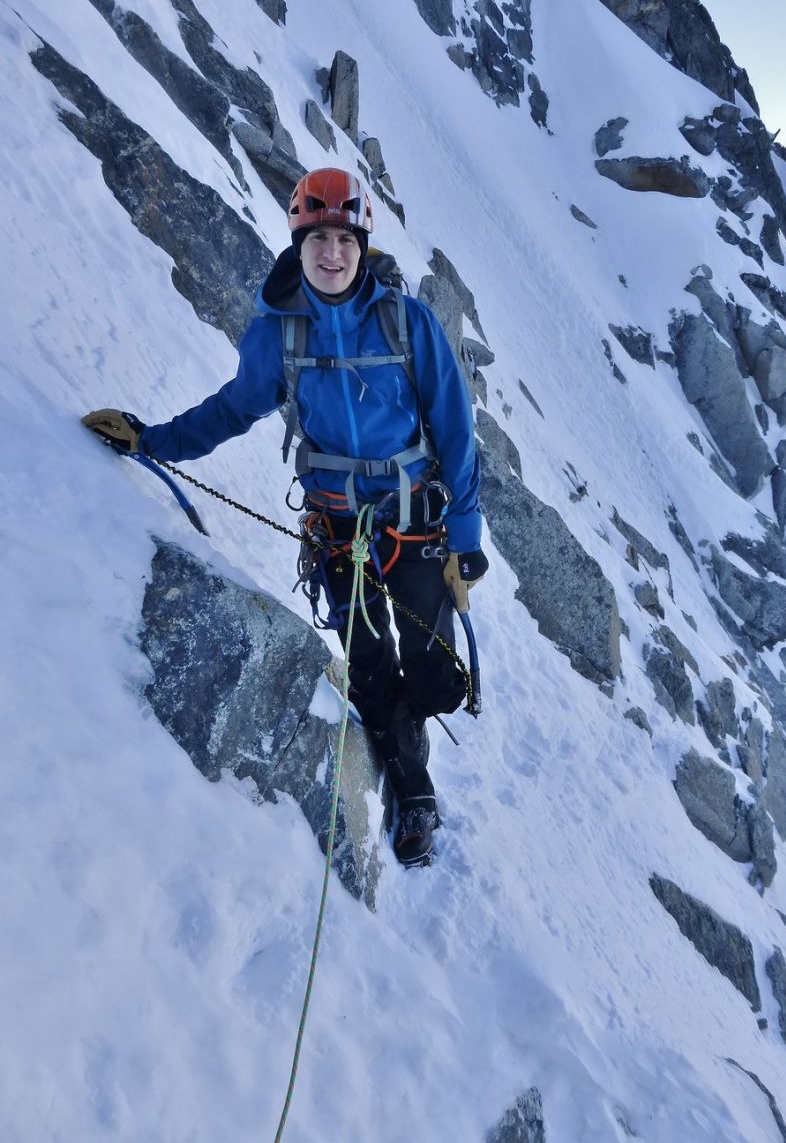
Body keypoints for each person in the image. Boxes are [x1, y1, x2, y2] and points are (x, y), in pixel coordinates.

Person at [83, 167, 488, 867]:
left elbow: (454, 431)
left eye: (343, 239)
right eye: (317, 239)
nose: (331, 253)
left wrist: (467, 536)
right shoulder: (279, 334)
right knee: (367, 664)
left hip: (416, 526)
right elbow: (231, 410)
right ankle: (414, 795)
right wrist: (153, 440)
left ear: (362, 244)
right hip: (338, 534)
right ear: (298, 243)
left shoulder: (407, 322)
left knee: (437, 675)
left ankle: (410, 727)